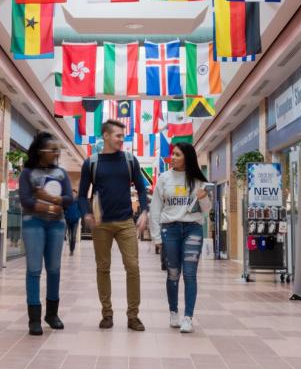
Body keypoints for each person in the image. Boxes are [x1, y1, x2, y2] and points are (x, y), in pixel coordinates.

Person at [78, 120, 149, 331]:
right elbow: (82, 196)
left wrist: (144, 210)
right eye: (118, 135)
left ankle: (133, 315)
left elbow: (142, 189)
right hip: (101, 225)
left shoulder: (130, 160)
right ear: (106, 136)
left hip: (126, 222)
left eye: (122, 136)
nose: (121, 139)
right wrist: (86, 214)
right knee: (103, 268)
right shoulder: (91, 162)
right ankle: (107, 314)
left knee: (133, 267)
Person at [149, 142, 211, 333]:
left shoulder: (198, 180)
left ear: (187, 157)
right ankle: (173, 312)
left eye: (177, 154)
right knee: (173, 273)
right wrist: (156, 236)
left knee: (190, 274)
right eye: (172, 154)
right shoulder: (164, 178)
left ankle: (188, 317)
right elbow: (155, 209)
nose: (172, 158)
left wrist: (203, 198)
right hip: (171, 230)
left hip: (193, 228)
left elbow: (207, 211)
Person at [19, 132, 73, 335]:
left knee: (54, 269)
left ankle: (52, 314)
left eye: (57, 149)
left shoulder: (61, 173)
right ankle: (34, 319)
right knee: (34, 270)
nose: (56, 152)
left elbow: (68, 199)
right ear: (40, 151)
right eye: (52, 149)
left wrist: (47, 199)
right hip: (33, 224)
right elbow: (26, 201)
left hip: (57, 226)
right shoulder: (27, 173)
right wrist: (51, 207)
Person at [64, 190, 81, 255]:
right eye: (72, 193)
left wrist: (78, 215)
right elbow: (64, 209)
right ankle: (71, 249)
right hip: (68, 220)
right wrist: (66, 215)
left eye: (74, 194)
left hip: (75, 221)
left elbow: (80, 210)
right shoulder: (68, 202)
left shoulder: (78, 201)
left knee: (73, 236)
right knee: (70, 236)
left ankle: (72, 250)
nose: (73, 195)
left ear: (76, 194)